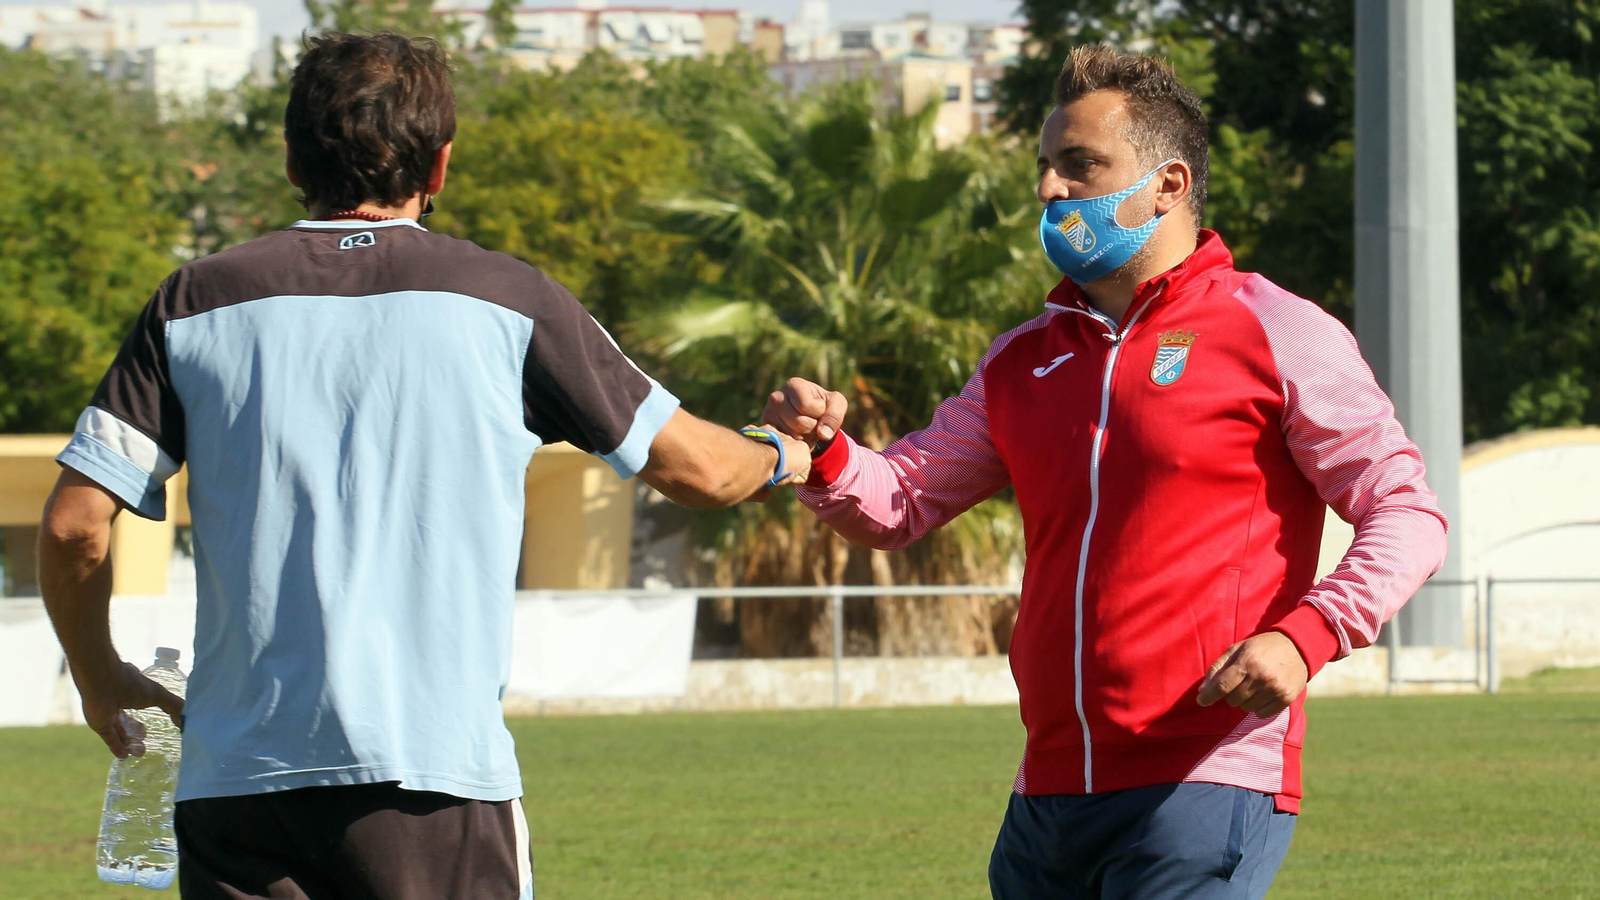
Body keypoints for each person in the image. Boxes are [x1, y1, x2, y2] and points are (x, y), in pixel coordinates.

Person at [37, 32, 807, 900]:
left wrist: (102, 680)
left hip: (238, 789)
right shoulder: (508, 300)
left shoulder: (194, 301)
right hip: (435, 784)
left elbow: (73, 524)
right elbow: (702, 471)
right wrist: (784, 452)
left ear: (292, 159)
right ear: (440, 166)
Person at [763, 45, 1449, 899]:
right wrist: (825, 453)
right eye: (1045, 168)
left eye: (1080, 165)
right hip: (1046, 793)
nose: (1050, 189)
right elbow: (901, 499)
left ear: (1167, 184)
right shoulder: (1021, 358)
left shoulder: (1278, 329)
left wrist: (1306, 636)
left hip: (1206, 774)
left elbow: (1408, 513)